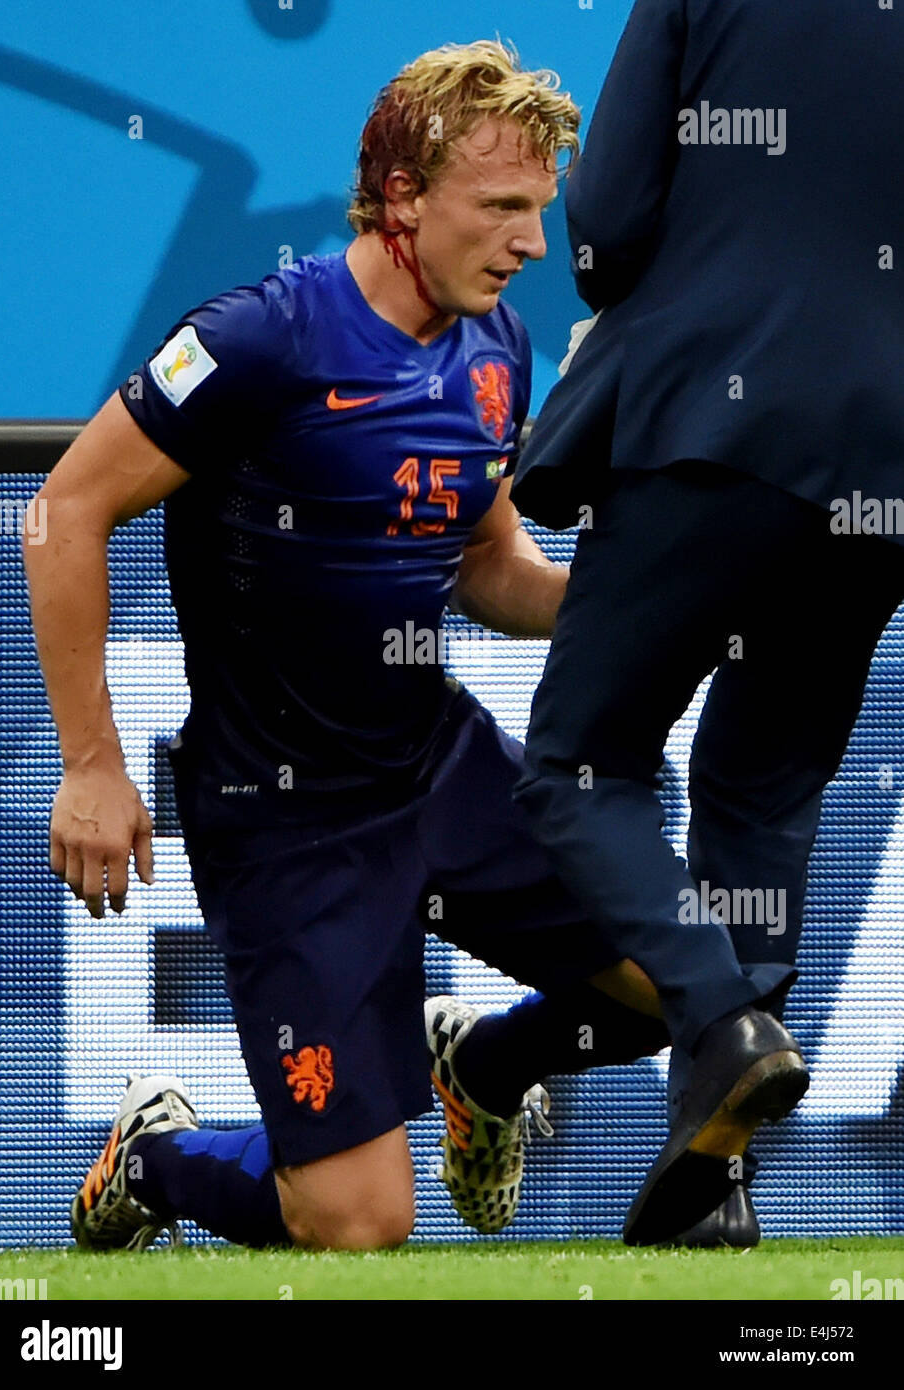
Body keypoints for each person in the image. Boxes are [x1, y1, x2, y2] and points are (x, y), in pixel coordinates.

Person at [24, 41, 673, 1254]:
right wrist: (90, 761)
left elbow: (489, 570)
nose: (533, 244)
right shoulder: (260, 338)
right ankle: (160, 1156)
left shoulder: (495, 351)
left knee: (675, 979)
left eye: (540, 210)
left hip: (440, 771)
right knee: (360, 1225)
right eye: (503, 209)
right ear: (404, 193)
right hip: (287, 823)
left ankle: (482, 1067)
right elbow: (63, 511)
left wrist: (632, 596)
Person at [510, 0, 904, 1245]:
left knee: (581, 763)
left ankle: (724, 1017)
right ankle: (712, 1191)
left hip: (712, 419)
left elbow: (610, 213)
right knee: (761, 794)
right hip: (885, 463)